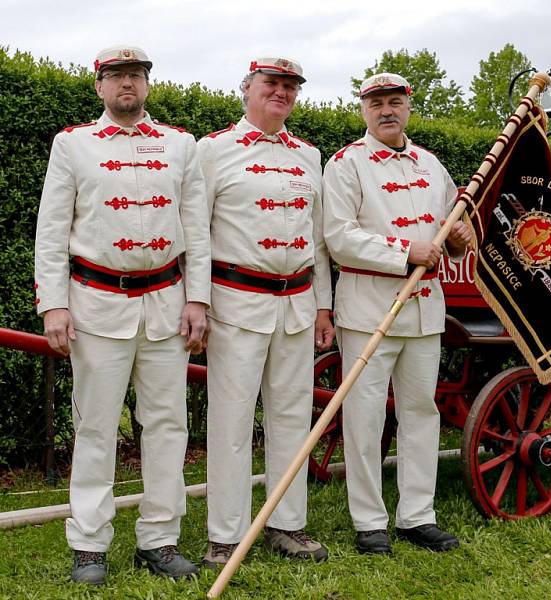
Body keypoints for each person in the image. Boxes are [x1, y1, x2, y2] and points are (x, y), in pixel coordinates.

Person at [34, 45, 210, 585]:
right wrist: (54, 304)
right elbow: (51, 229)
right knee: (94, 427)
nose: (126, 84)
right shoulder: (73, 145)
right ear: (100, 88)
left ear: (147, 85)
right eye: (117, 76)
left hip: (166, 303)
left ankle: (160, 538)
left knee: (167, 425)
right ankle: (89, 545)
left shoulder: (181, 146)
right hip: (95, 304)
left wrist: (198, 300)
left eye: (135, 75)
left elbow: (197, 229)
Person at [323, 72, 470, 554]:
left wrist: (460, 237)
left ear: (408, 105)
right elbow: (338, 236)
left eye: (395, 102)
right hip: (369, 311)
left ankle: (416, 516)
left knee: (420, 414)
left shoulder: (431, 164)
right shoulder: (346, 164)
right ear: (364, 110)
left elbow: (456, 224)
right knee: (364, 418)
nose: (386, 110)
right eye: (376, 103)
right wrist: (407, 250)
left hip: (425, 312)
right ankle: (369, 522)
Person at [197, 56, 333, 568]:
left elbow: (318, 240)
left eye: (289, 87)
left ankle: (287, 525)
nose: (281, 93)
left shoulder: (309, 156)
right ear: (247, 89)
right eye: (270, 84)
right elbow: (197, 233)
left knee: (292, 420)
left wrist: (324, 306)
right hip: (236, 303)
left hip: (297, 305)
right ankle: (225, 535)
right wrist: (199, 301)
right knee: (231, 424)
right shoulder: (213, 150)